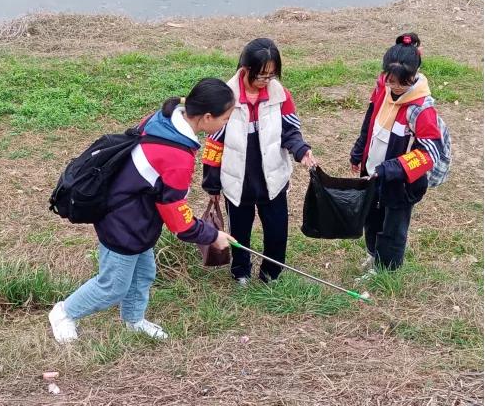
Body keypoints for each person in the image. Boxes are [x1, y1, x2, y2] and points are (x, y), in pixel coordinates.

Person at [49, 78, 236, 343]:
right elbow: (177, 218)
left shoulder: (168, 116)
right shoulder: (177, 157)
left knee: (143, 272)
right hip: (123, 221)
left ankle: (133, 320)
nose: (225, 124)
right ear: (206, 117)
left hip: (136, 215)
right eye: (225, 118)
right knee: (112, 286)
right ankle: (64, 312)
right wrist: (212, 235)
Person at [202, 38, 316, 285]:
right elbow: (214, 144)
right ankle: (240, 271)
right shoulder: (226, 98)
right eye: (261, 76)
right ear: (245, 69)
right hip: (238, 182)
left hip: (272, 179)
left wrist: (301, 151)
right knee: (239, 232)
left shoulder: (281, 96)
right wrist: (212, 185)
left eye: (271, 76)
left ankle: (271, 273)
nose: (266, 81)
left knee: (277, 231)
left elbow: (290, 132)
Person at [350, 33, 445, 276]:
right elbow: (370, 119)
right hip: (373, 171)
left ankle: (386, 270)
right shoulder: (383, 86)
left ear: (413, 77)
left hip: (400, 182)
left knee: (392, 225)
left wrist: (389, 170)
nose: (394, 87)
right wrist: (359, 152)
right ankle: (373, 254)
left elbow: (429, 154)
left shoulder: (422, 109)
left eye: (400, 83)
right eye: (390, 81)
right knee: (371, 217)